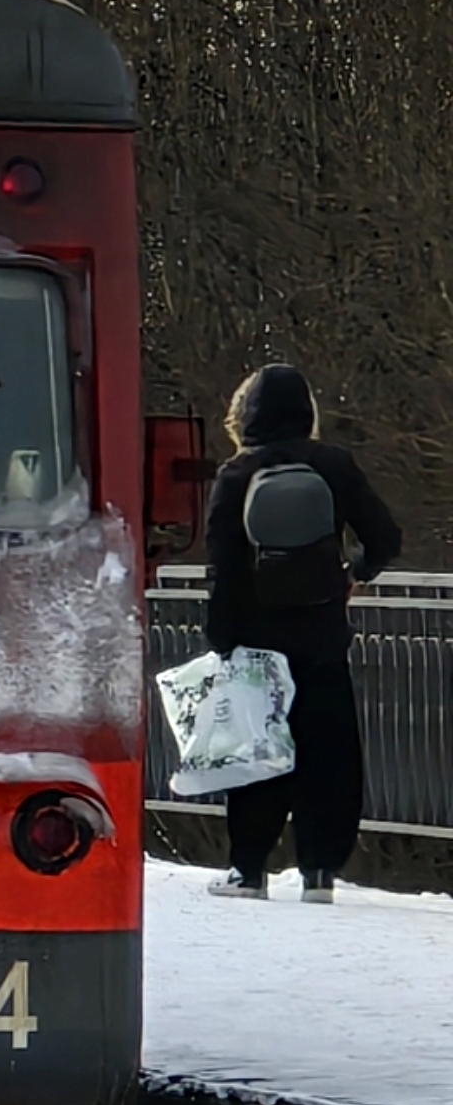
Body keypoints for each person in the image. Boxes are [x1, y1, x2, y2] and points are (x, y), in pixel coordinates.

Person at [203, 363, 402, 900]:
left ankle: (248, 870)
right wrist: (354, 573)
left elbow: (223, 566)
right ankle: (320, 872)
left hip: (256, 640)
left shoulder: (236, 474)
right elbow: (385, 537)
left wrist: (221, 639)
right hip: (322, 635)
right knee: (329, 752)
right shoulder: (333, 464)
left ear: (247, 415)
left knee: (257, 751)